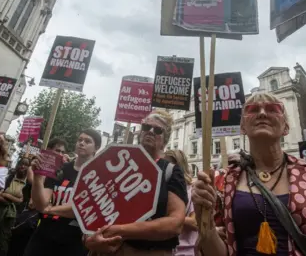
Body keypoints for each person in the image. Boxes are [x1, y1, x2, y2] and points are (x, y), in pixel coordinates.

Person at [191, 93, 306, 256]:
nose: (262, 113)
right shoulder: (222, 181)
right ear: (242, 127)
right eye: (253, 109)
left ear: (286, 127)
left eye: (273, 108)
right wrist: (203, 221)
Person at [85, 109, 188, 256]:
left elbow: (175, 224)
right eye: (146, 127)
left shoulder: (170, 171)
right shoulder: (120, 163)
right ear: (140, 132)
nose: (151, 131)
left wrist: (119, 231)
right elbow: (95, 208)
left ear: (165, 140)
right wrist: (89, 238)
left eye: (158, 130)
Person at [24, 130, 101, 256]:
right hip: (43, 237)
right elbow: (40, 204)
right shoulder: (61, 169)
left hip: (73, 243)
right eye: (80, 140)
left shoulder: (98, 175)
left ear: (96, 148)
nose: (81, 143)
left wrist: (49, 210)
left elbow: (81, 208)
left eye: (87, 141)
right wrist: (38, 177)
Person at [164, 149, 198, 256]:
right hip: (166, 250)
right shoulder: (163, 190)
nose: (166, 169)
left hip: (186, 251)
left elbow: (195, 222)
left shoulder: (192, 190)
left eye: (169, 165)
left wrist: (168, 219)